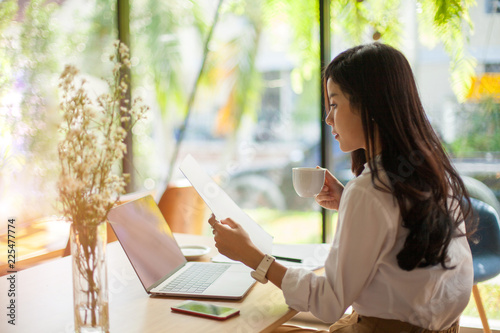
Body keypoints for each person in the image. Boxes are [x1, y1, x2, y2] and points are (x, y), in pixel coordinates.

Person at [208, 42, 474, 333]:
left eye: (334, 104)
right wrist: (348, 200)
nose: (328, 118)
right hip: (440, 327)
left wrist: (254, 257)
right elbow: (401, 234)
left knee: (245, 328)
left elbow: (328, 302)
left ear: (369, 105)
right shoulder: (431, 172)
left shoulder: (370, 191)